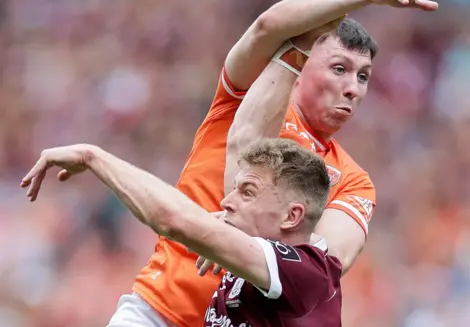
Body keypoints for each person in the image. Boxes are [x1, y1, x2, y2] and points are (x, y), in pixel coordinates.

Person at [70, 0, 455, 327]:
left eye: (363, 75)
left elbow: (326, 262)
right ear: (301, 66)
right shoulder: (242, 96)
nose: (353, 87)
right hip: (159, 313)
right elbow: (267, 28)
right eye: (339, 68)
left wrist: (239, 242)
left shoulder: (352, 180)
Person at [20, 139, 343, 326]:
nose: (226, 202)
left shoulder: (304, 272)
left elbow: (172, 220)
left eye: (247, 192)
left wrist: (92, 157)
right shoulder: (261, 258)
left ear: (292, 216)